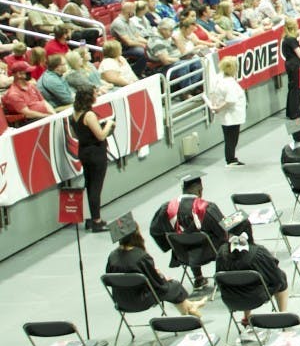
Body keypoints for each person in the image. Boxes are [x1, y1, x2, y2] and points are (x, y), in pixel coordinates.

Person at [105, 215, 206, 317]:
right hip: (141, 300)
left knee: (170, 286)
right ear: (136, 235)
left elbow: (111, 280)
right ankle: (187, 315)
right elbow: (156, 284)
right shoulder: (141, 257)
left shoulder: (112, 256)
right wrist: (162, 277)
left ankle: (191, 306)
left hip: (121, 301)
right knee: (174, 286)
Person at [151, 174, 232, 292]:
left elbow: (154, 230)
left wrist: (173, 244)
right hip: (209, 252)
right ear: (200, 190)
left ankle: (198, 278)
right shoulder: (207, 208)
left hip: (182, 254)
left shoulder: (167, 208)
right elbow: (224, 231)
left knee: (188, 238)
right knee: (227, 237)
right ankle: (220, 277)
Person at [216, 231, 291, 319]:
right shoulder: (258, 252)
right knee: (281, 276)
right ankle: (283, 317)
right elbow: (276, 276)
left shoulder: (222, 252)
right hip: (256, 298)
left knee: (240, 281)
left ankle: (246, 318)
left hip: (230, 300)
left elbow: (218, 281)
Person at [71, 85, 113, 231]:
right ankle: (96, 220)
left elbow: (75, 135)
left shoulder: (74, 114)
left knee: (90, 185)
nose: (97, 95)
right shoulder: (89, 115)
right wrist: (108, 124)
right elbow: (101, 135)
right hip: (96, 153)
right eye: (95, 93)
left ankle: (94, 217)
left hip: (83, 151)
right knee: (96, 187)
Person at [204, 56, 247, 166]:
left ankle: (230, 158)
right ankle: (231, 159)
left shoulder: (219, 79)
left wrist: (215, 104)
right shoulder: (230, 83)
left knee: (229, 138)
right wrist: (218, 108)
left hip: (226, 116)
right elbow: (230, 100)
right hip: (232, 115)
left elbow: (212, 92)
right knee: (232, 139)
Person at [2, 59, 52, 127]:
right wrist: (47, 116)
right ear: (19, 74)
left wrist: (53, 114)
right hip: (33, 122)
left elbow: (43, 101)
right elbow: (27, 114)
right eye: (28, 72)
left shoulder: (31, 85)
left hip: (47, 117)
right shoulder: (13, 94)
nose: (30, 73)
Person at [281, 20, 300, 120]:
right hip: (295, 65)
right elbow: (299, 54)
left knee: (292, 88)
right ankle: (295, 112)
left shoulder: (285, 38)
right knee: (296, 89)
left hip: (289, 64)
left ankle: (290, 111)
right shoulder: (292, 39)